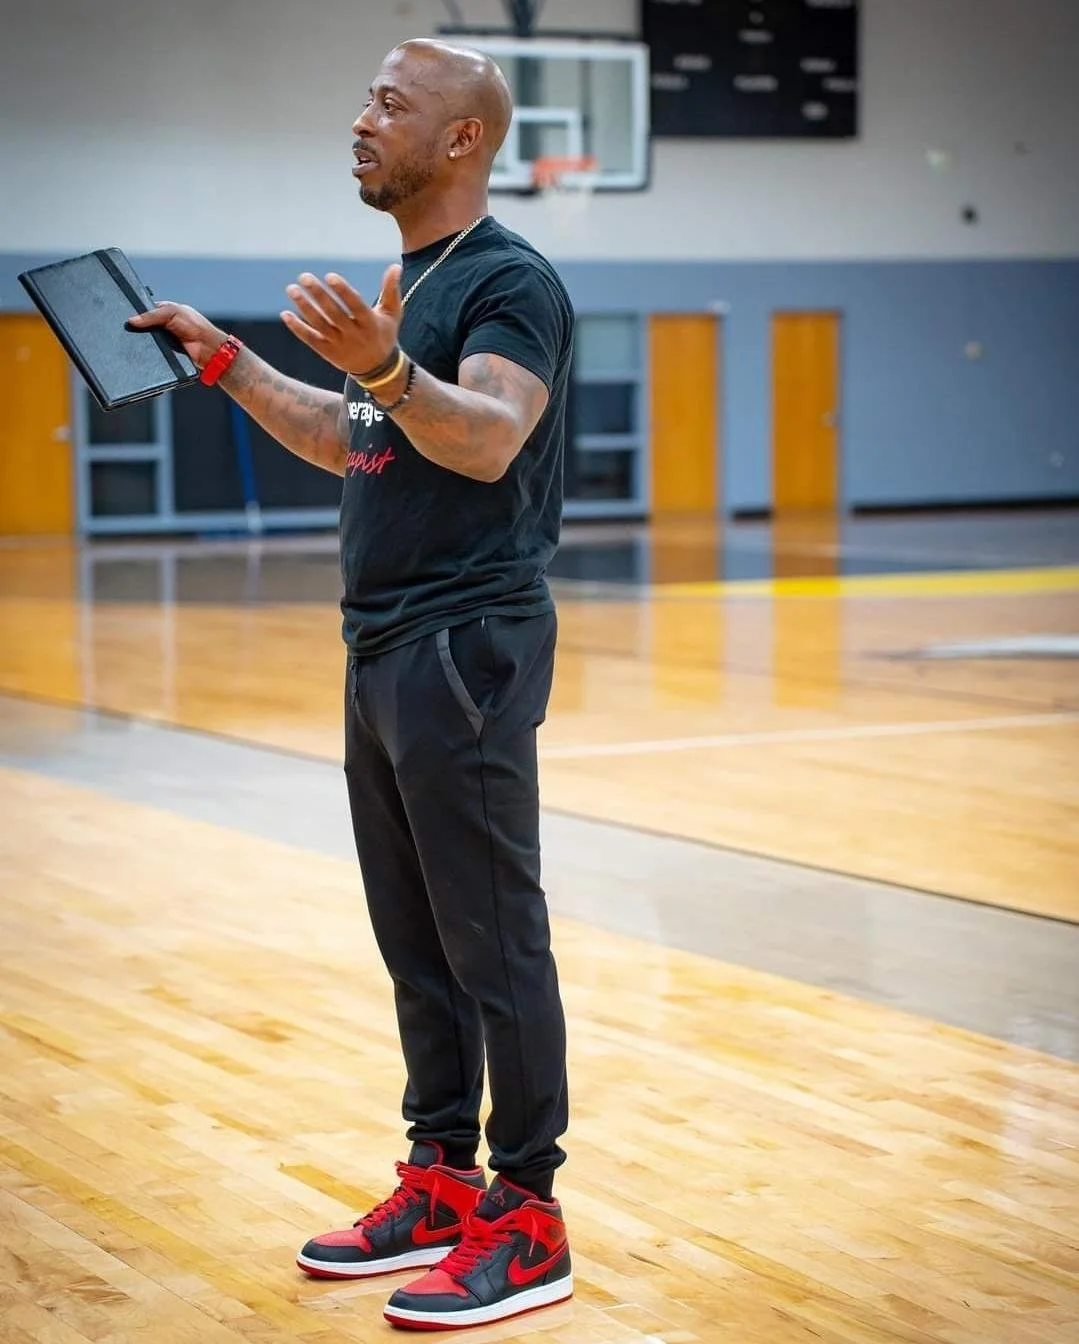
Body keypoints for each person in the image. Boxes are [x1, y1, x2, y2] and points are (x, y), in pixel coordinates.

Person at [130, 37, 574, 1332]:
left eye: (391, 102)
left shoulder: (507, 282)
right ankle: (439, 1180)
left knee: (495, 940)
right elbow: (353, 437)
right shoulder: (411, 280)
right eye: (366, 96)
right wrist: (223, 358)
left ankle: (529, 1215)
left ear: (462, 141)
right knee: (419, 945)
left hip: (465, 642)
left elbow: (489, 440)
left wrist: (386, 364)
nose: (361, 118)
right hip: (380, 643)